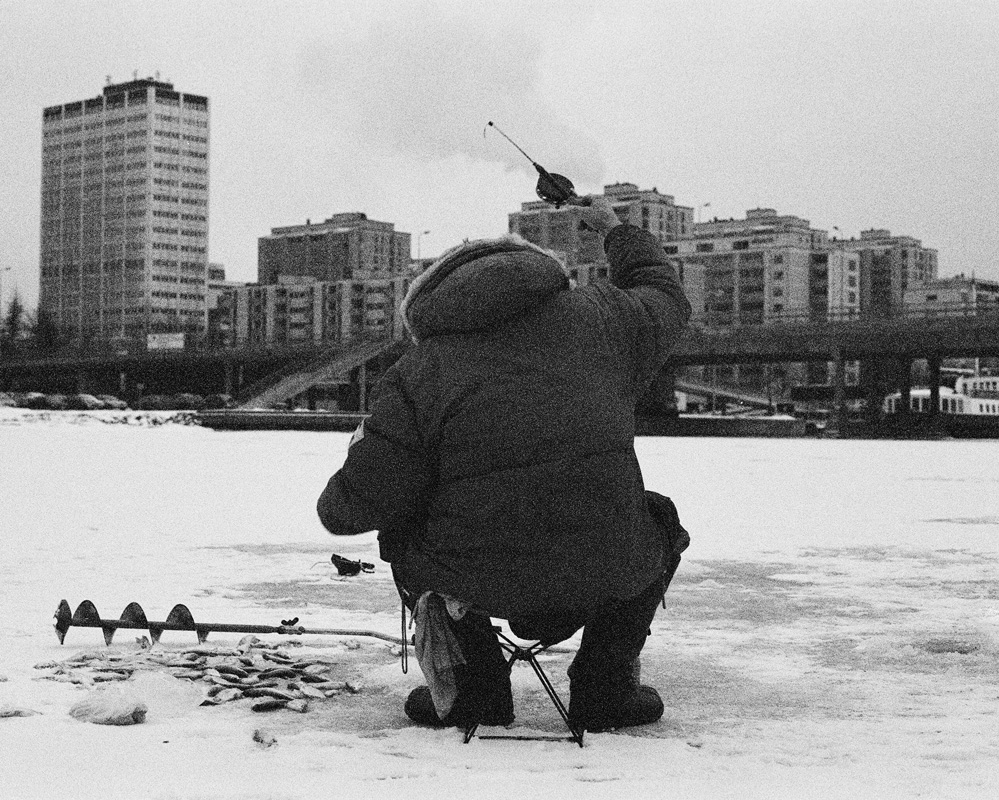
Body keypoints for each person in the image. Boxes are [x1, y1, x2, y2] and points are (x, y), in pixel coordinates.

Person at [317, 195, 691, 732]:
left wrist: (363, 447)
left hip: (475, 577)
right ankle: (606, 688)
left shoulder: (419, 370)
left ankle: (473, 692)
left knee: (401, 530)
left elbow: (346, 511)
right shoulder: (605, 321)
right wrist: (614, 230)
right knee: (658, 519)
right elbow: (663, 295)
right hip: (603, 566)